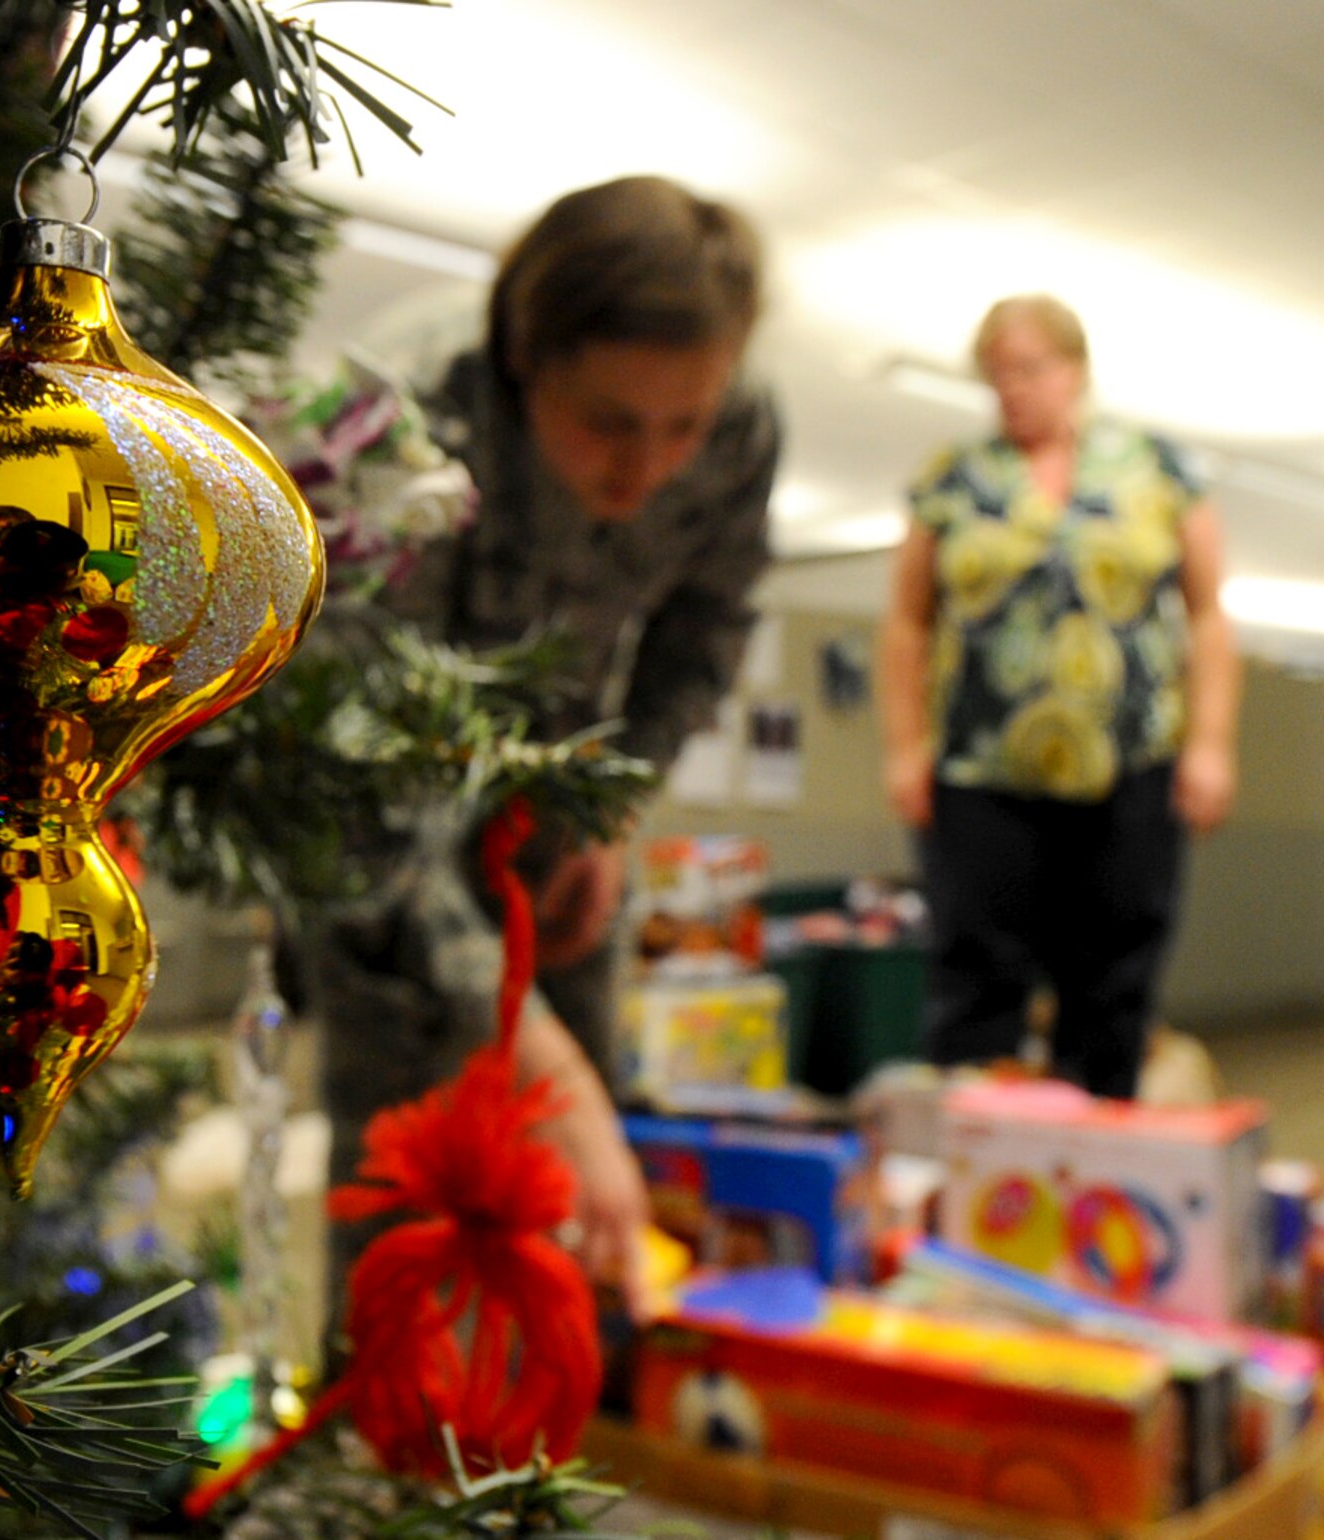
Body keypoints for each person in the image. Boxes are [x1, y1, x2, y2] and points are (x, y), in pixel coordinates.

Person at [314, 176, 779, 1301]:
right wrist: (541, 1065)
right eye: (608, 424)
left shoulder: (739, 423)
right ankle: (375, 1460)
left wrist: (609, 803)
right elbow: (350, 770)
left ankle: (548, 1437)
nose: (647, 467)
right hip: (365, 816)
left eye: (682, 427)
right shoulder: (394, 433)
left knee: (577, 1199)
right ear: (529, 361)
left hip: (563, 805)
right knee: (407, 1181)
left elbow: (700, 634)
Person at [878, 294, 1239, 1098]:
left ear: (1074, 370)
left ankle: (1094, 1165)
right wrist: (905, 749)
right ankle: (973, 1167)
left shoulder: (1157, 469)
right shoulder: (955, 479)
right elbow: (906, 623)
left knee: (1113, 977)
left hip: (1131, 762)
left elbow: (1208, 616)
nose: (1012, 389)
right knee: (975, 973)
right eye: (997, 374)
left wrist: (1211, 745)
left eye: (1030, 369)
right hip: (980, 767)